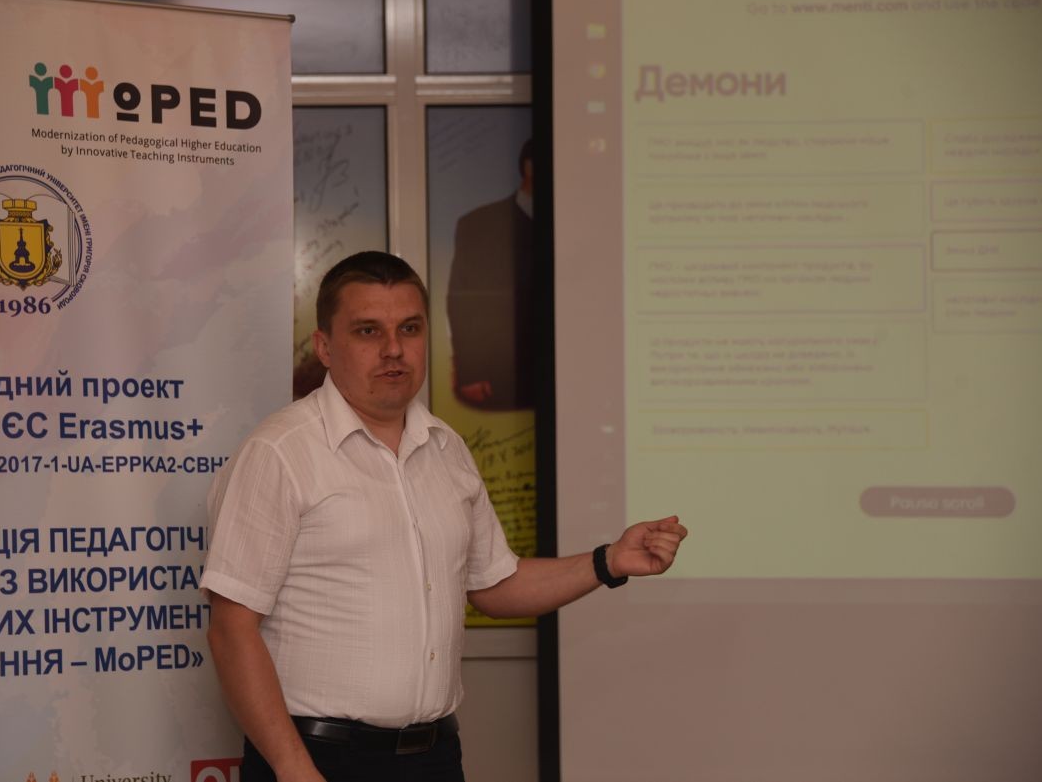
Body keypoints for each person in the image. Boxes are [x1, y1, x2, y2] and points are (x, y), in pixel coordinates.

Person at [202, 251, 688, 782]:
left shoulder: (446, 448)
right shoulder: (279, 452)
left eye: (409, 328)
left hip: (433, 758)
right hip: (316, 760)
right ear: (324, 346)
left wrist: (608, 560)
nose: (393, 349)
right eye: (368, 331)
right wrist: (294, 770)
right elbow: (231, 629)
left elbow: (494, 585)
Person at [446, 139, 534, 410]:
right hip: (501, 384)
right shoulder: (479, 224)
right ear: (529, 168)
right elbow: (462, 302)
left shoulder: (589, 226)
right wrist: (471, 372)